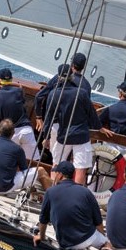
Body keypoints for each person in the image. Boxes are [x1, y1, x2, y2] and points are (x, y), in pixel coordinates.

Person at [42, 57, 101, 185]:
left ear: (59, 77)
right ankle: (76, 192)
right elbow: (92, 115)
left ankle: (53, 189)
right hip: (81, 136)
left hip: (63, 136)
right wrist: (98, 127)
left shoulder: (53, 94)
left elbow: (49, 119)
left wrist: (46, 137)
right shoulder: (82, 93)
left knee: (56, 165)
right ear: (71, 76)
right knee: (80, 168)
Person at [32, 161, 107, 250]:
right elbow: (98, 220)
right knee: (106, 242)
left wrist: (41, 237)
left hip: (67, 243)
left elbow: (43, 219)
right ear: (73, 175)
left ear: (60, 175)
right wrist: (103, 239)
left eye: (56, 173)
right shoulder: (86, 191)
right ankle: (105, 246)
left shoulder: (50, 192)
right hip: (89, 237)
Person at [0, 68, 38, 160]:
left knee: (7, 161)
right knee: (32, 162)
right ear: (11, 79)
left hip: (11, 134)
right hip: (26, 130)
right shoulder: (19, 91)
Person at [0, 119, 52, 194]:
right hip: (4, 188)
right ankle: (52, 197)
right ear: (13, 133)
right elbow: (24, 170)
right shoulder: (17, 149)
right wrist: (33, 190)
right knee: (40, 171)